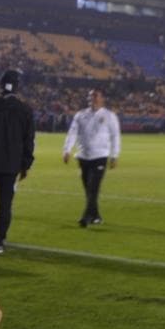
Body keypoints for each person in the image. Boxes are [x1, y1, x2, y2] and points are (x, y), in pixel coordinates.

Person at [63, 88, 121, 226]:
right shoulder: (80, 115)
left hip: (100, 156)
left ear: (102, 99)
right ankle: (96, 216)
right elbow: (72, 133)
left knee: (93, 187)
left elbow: (115, 136)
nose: (92, 99)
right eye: (90, 96)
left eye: (95, 96)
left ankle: (86, 217)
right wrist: (67, 150)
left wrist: (114, 155)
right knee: (88, 189)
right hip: (83, 156)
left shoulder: (109, 116)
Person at [0, 69, 35, 255]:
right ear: (18, 86)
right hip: (10, 166)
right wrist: (25, 165)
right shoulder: (25, 110)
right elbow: (29, 141)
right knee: (5, 205)